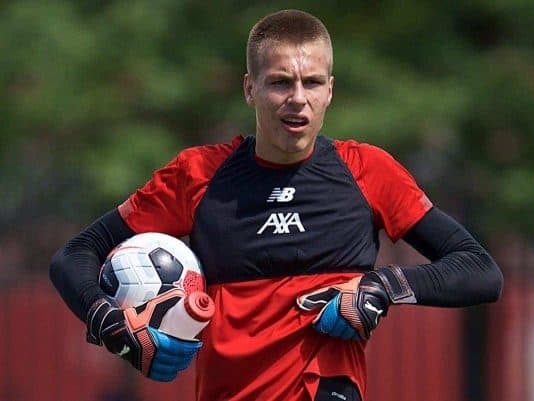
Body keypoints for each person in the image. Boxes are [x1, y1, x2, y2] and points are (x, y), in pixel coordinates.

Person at [50, 9, 503, 401]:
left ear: (330, 90)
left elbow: (479, 270)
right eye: (280, 83)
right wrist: (112, 326)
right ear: (250, 89)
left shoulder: (369, 170)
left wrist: (380, 288)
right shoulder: (197, 176)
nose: (298, 99)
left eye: (312, 82)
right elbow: (75, 255)